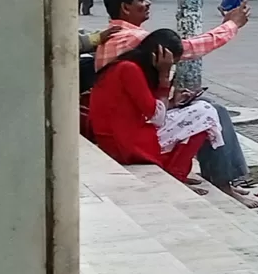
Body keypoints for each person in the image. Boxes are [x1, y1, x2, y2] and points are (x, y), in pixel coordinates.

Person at [99, 0, 256, 202]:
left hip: (125, 121)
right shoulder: (134, 40)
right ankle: (224, 180)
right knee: (211, 112)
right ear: (125, 7)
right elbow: (189, 48)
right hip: (129, 132)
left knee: (205, 108)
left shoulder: (115, 36)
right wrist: (231, 25)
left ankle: (222, 177)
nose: (148, 3)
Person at [89, 29, 222, 184]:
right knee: (205, 112)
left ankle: (179, 171)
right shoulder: (129, 70)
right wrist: (164, 78)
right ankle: (178, 173)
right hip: (125, 143)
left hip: (120, 137)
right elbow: (157, 117)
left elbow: (147, 108)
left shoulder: (125, 65)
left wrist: (172, 101)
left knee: (200, 112)